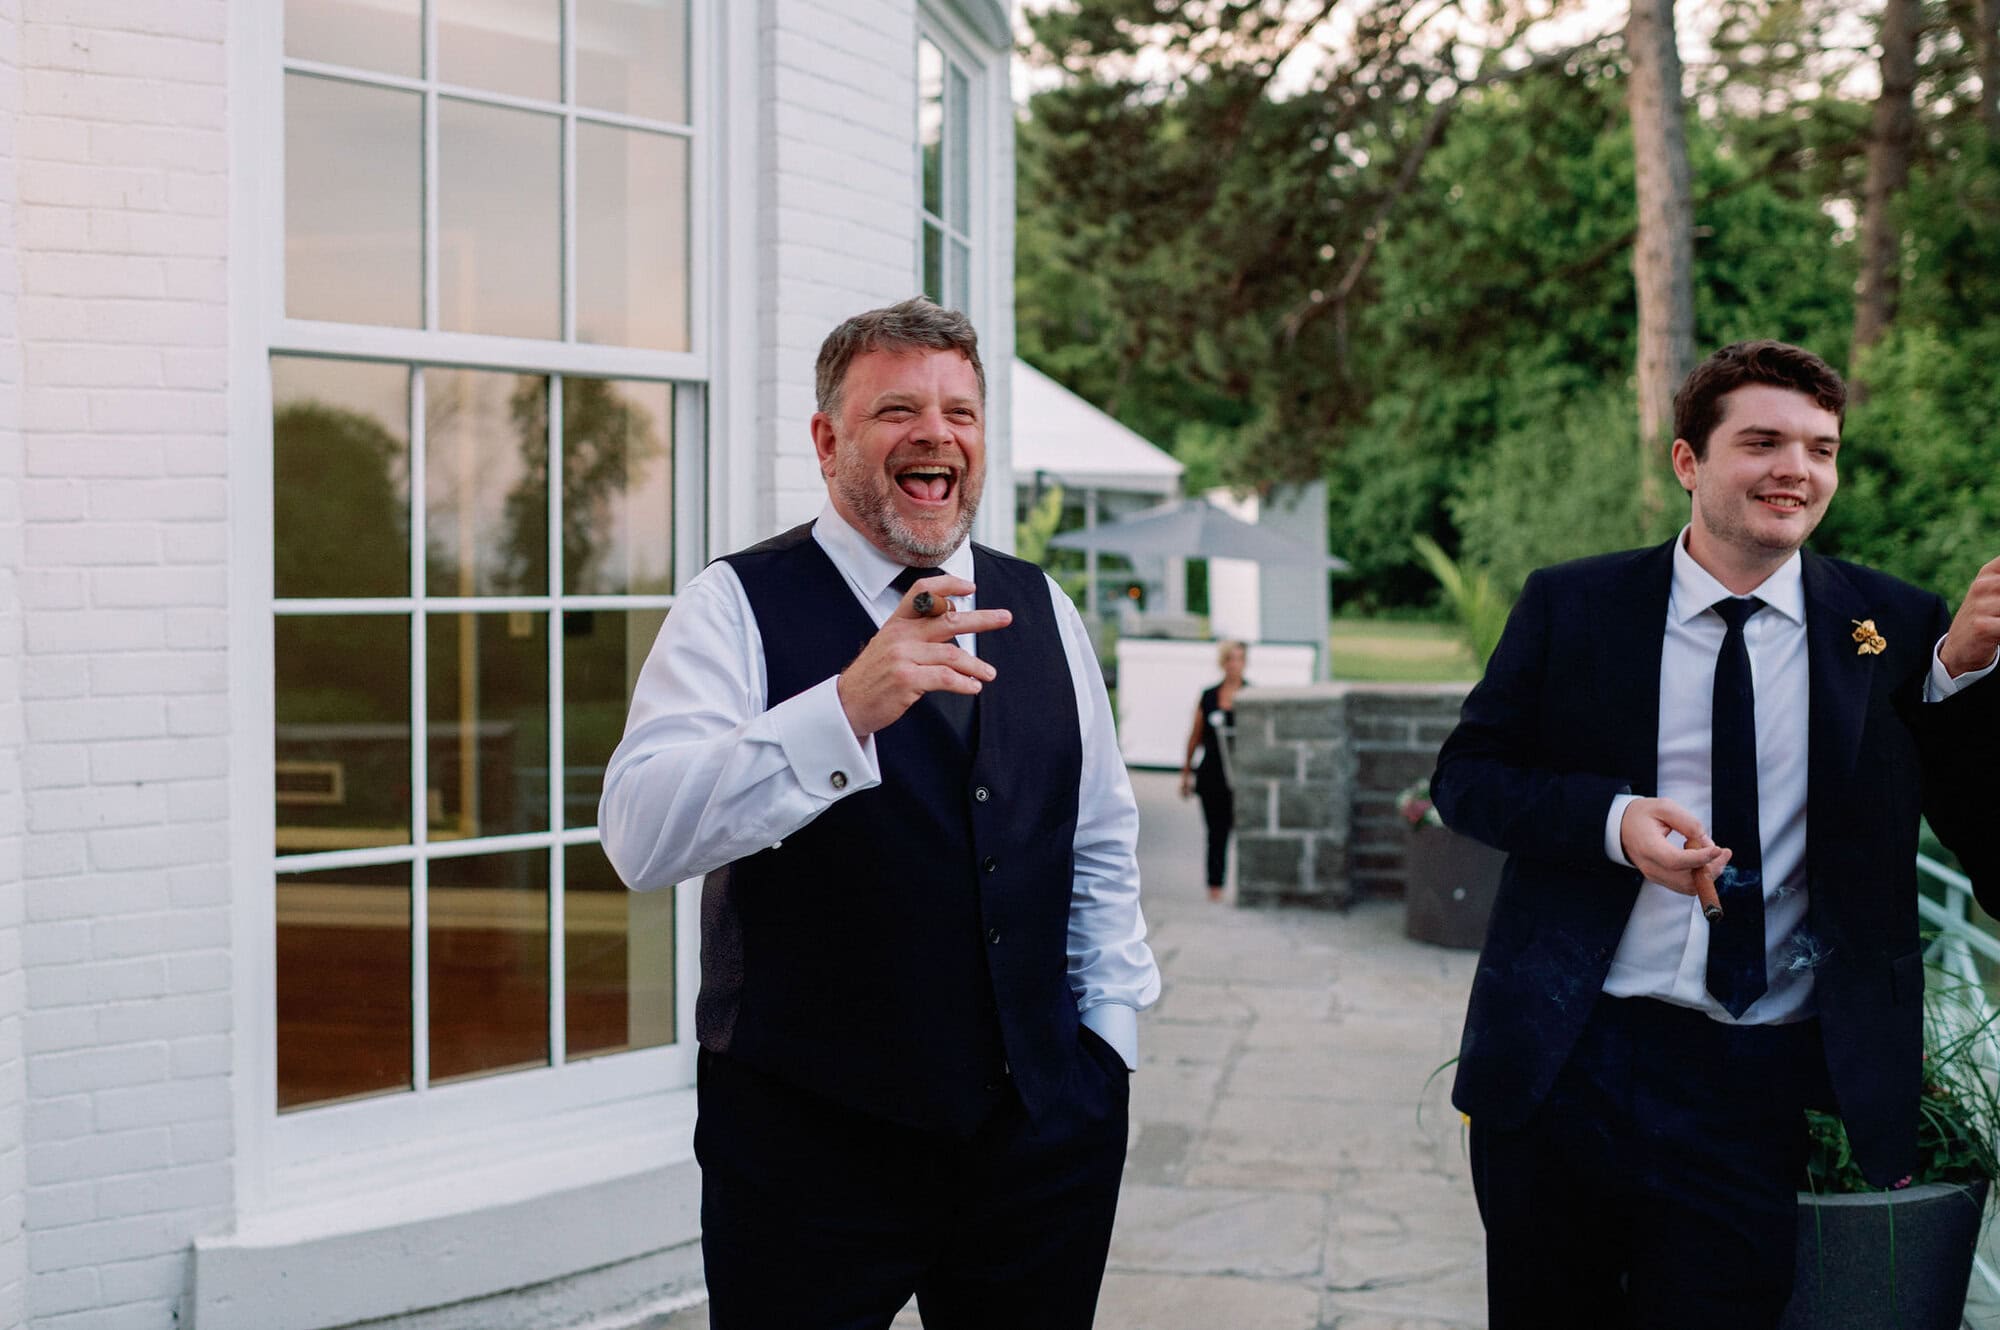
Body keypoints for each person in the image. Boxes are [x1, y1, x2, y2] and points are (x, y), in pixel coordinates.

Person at [598, 298, 1160, 1329]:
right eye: (897, 409)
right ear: (827, 441)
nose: (935, 433)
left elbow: (1096, 840)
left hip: (1039, 1140)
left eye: (959, 412)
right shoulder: (732, 605)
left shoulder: (1045, 607)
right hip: (804, 1152)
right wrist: (842, 710)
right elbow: (640, 835)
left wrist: (1106, 1050)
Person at [1431, 340, 2000, 1328]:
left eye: (1820, 448)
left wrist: (1965, 680)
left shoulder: (1896, 625)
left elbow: (1978, 832)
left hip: (1755, 1078)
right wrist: (1614, 822)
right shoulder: (1573, 603)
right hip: (1570, 1057)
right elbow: (1467, 780)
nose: (1796, 470)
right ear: (1687, 462)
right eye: (1763, 442)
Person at [1178, 639, 1248, 902]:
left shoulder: (1251, 696)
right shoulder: (1209, 696)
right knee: (1216, 831)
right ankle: (1215, 886)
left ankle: (1246, 885)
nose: (1234, 664)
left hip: (1241, 775)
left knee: (1243, 830)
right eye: (1230, 658)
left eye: (1239, 659)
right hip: (1212, 774)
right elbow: (1195, 736)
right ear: (1223, 662)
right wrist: (1186, 774)